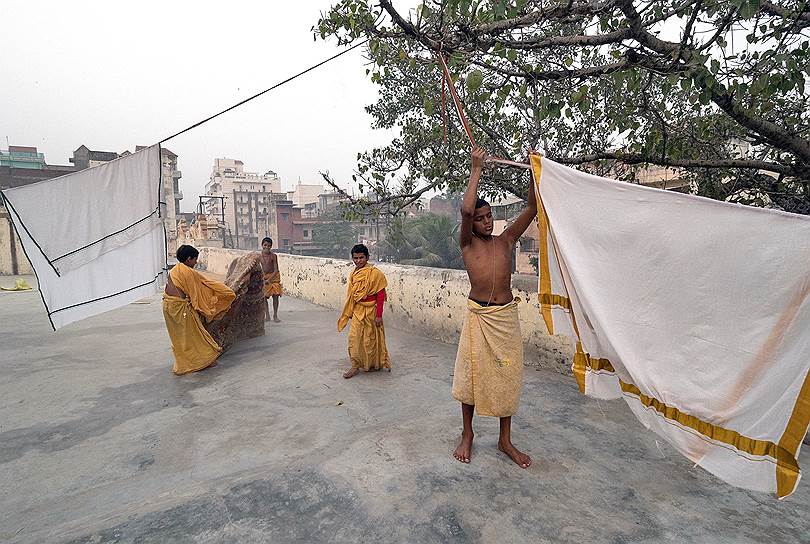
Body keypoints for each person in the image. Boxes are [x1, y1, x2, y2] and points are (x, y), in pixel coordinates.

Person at [452, 147, 537, 468]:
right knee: (469, 377)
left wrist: (533, 169)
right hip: (478, 317)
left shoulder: (506, 241)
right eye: (480, 218)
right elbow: (464, 211)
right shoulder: (467, 243)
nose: (486, 222)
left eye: (489, 217)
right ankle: (468, 434)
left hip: (504, 318)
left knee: (507, 375)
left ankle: (505, 439)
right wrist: (476, 169)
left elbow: (531, 207)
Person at [163, 244, 236, 375]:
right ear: (189, 259)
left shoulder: (174, 270)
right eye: (195, 259)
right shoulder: (188, 272)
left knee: (180, 338)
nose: (196, 262)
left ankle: (187, 361)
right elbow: (200, 290)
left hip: (168, 306)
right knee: (195, 335)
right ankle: (203, 361)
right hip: (180, 308)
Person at [338, 244, 390, 379]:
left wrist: (379, 315)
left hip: (372, 311)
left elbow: (380, 296)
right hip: (358, 310)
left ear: (367, 257)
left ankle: (370, 364)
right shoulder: (354, 273)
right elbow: (351, 294)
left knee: (370, 341)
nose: (358, 261)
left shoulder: (376, 274)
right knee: (354, 339)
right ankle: (355, 365)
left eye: (361, 258)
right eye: (355, 258)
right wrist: (349, 311)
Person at [260, 237, 282, 322]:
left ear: (271, 246)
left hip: (274, 278)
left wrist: (269, 279)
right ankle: (267, 316)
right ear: (262, 245)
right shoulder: (259, 256)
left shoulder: (273, 256)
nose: (267, 247)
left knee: (275, 296)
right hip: (264, 278)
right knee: (264, 298)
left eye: (269, 246)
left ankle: (275, 315)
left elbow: (276, 270)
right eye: (265, 245)